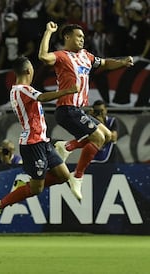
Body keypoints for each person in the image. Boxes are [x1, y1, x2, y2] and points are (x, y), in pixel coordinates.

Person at [38, 21, 133, 200]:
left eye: (83, 37)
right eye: (78, 36)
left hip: (79, 110)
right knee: (97, 137)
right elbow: (43, 56)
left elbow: (104, 63)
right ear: (67, 37)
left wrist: (122, 62)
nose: (82, 39)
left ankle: (67, 146)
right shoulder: (61, 56)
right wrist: (48, 32)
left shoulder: (86, 56)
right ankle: (77, 176)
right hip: (67, 109)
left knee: (107, 136)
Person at [0, 56, 78, 227]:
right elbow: (42, 97)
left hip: (42, 141)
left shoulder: (19, 90)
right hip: (32, 144)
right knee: (36, 189)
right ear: (28, 71)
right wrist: (66, 91)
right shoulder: (22, 89)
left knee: (64, 176)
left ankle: (23, 186)